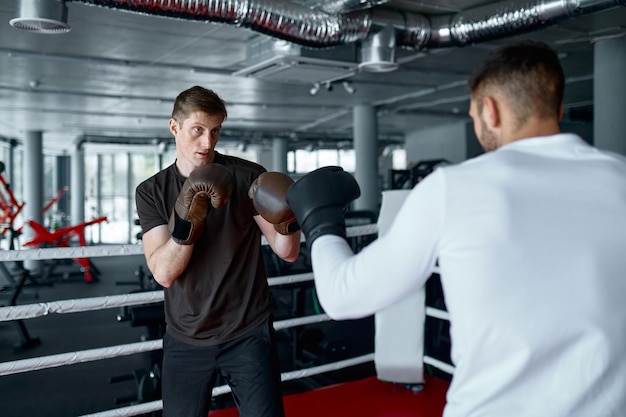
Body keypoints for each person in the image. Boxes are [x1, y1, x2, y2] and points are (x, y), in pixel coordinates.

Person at [285, 41, 626, 417]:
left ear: (489, 111)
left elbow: (343, 295)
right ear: (558, 109)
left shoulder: (455, 188)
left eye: (474, 116)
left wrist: (319, 218)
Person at [135, 85, 301, 417]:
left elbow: (288, 252)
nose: (207, 143)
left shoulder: (247, 177)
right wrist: (188, 216)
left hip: (248, 331)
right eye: (197, 130)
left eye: (215, 131)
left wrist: (291, 216)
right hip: (185, 336)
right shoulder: (151, 191)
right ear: (174, 127)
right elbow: (165, 273)